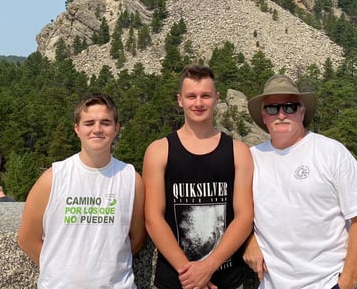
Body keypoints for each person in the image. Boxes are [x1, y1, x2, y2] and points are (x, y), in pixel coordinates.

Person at [243, 75, 357, 289]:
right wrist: (249, 240)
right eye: (272, 108)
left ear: (302, 111)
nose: (281, 114)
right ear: (263, 115)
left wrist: (347, 282)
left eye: (289, 107)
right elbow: (237, 213)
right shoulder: (251, 158)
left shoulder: (331, 152)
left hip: (326, 283)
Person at [17, 93, 146, 288]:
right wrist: (58, 271)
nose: (97, 129)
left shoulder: (131, 179)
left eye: (105, 122)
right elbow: (27, 239)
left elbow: (136, 239)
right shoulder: (53, 178)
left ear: (116, 128)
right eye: (89, 123)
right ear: (77, 129)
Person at [142, 64, 254, 289]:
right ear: (180, 100)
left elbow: (244, 216)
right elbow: (153, 218)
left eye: (205, 96)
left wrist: (208, 266)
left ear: (216, 98)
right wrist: (192, 276)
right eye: (191, 96)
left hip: (227, 279)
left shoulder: (238, 151)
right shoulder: (159, 151)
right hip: (176, 280)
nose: (198, 103)